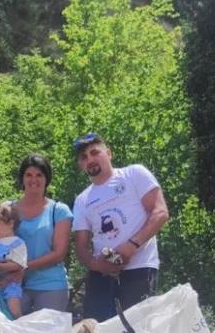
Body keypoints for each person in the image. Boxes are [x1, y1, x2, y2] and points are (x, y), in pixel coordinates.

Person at [71, 133, 170, 322]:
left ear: (109, 153)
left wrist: (131, 246)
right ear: (81, 165)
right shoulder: (82, 200)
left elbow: (160, 212)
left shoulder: (134, 174)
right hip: (101, 274)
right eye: (84, 157)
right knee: (97, 332)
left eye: (94, 152)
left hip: (139, 268)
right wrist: (96, 265)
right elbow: (81, 246)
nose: (90, 159)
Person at [10, 153, 72, 314]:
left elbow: (59, 253)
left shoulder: (58, 211)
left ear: (47, 179)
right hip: (14, 286)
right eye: (28, 175)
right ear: (22, 178)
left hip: (51, 285)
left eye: (39, 175)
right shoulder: (8, 210)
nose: (33, 180)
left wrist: (23, 267)